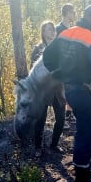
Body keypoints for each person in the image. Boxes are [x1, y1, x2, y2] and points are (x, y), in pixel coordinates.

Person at [43, 4, 91, 182]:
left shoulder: (65, 33)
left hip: (71, 91)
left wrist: (60, 75)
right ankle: (81, 178)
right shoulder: (90, 37)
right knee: (85, 131)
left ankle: (84, 169)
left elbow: (47, 56)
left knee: (88, 129)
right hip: (85, 92)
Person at [30, 21, 66, 157]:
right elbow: (33, 70)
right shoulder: (37, 49)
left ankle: (54, 145)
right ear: (43, 32)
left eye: (52, 29)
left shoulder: (60, 47)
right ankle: (38, 147)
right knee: (40, 120)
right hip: (43, 91)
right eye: (48, 29)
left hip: (58, 89)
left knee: (61, 119)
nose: (51, 31)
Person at [56, 3, 76, 119]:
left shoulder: (72, 29)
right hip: (62, 65)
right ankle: (64, 116)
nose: (74, 15)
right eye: (73, 12)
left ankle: (69, 114)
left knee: (70, 88)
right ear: (68, 13)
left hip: (71, 64)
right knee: (63, 90)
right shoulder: (58, 29)